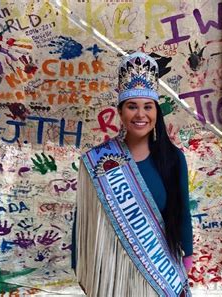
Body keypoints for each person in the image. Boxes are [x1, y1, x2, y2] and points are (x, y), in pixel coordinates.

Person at [74, 52, 193, 296]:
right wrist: (82, 268)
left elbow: (183, 214)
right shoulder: (97, 162)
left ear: (157, 112)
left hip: (160, 275)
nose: (140, 115)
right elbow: (83, 222)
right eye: (132, 106)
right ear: (120, 112)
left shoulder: (173, 159)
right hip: (112, 276)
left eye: (148, 106)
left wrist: (187, 260)